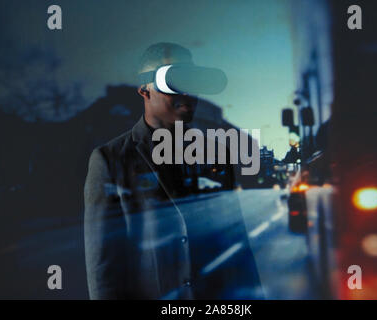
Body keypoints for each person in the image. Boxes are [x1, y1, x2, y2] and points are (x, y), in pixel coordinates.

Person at [84, 42, 261, 299]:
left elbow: (239, 249)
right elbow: (105, 272)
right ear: (145, 90)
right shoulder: (110, 161)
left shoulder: (217, 153)